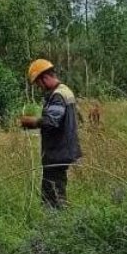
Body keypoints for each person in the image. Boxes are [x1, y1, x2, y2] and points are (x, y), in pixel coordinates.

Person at [19, 59, 82, 208]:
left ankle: (57, 226)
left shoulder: (58, 96)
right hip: (63, 151)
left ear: (45, 77)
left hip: (57, 153)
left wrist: (31, 122)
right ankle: (57, 224)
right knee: (56, 191)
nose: (39, 87)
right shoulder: (65, 91)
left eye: (38, 83)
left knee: (52, 197)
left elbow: (52, 121)